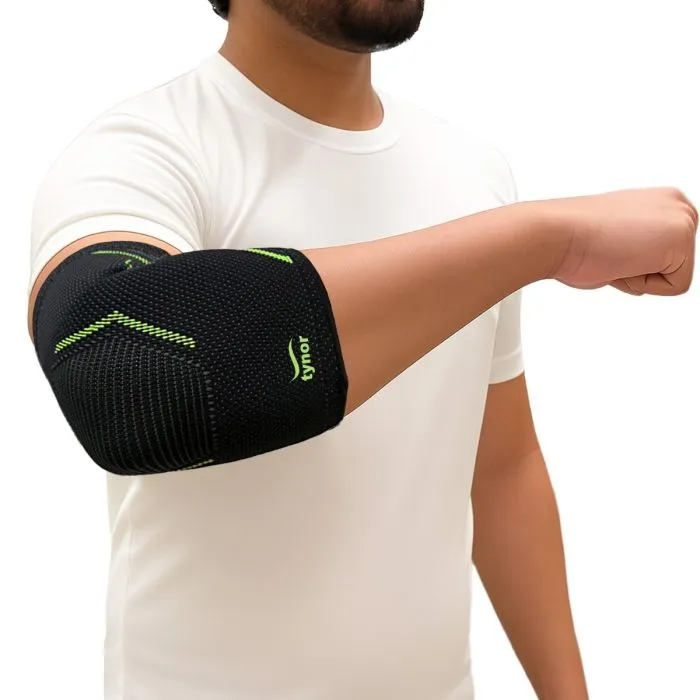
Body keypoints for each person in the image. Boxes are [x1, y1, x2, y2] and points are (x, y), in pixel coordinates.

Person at [27, 1, 696, 699]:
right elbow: (118, 369)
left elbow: (500, 466)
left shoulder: (472, 171)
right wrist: (547, 241)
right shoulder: (142, 149)